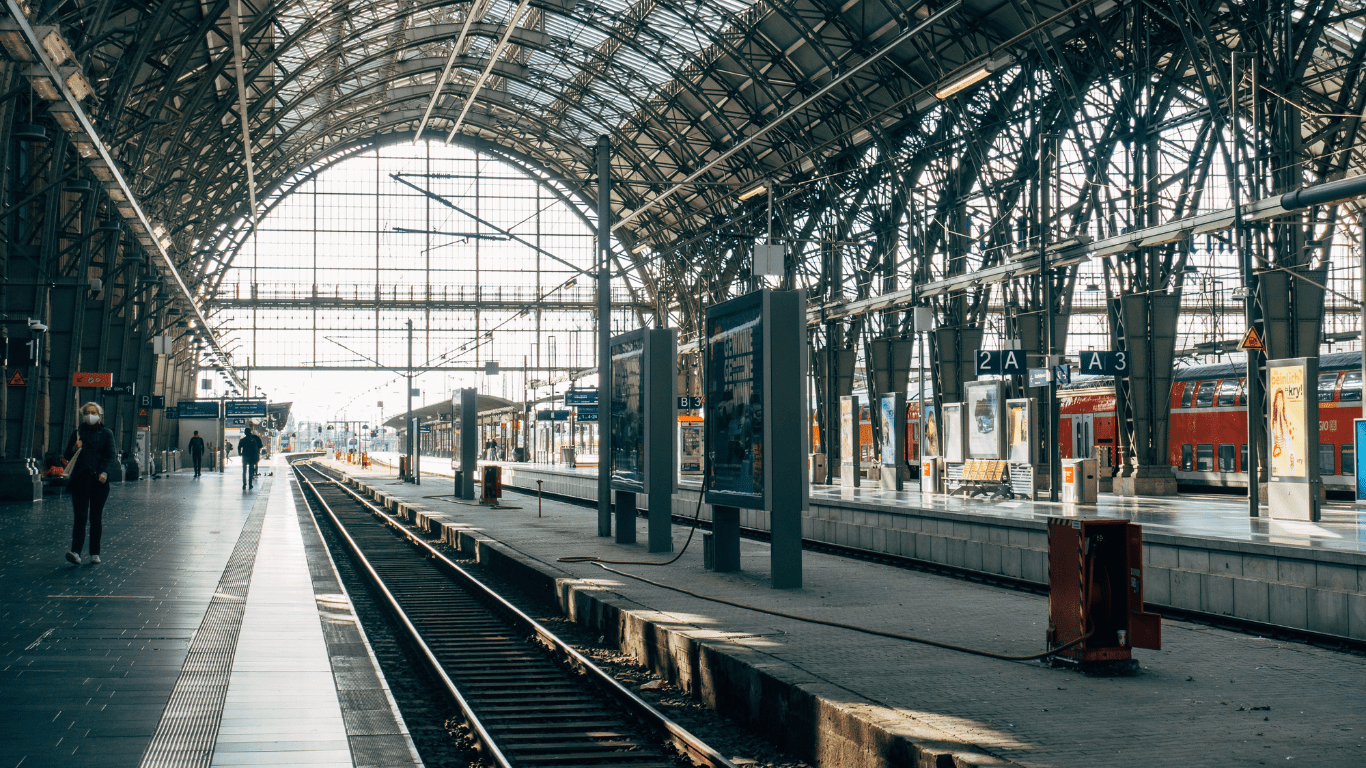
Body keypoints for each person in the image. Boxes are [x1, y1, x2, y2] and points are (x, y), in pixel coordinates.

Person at [62, 402, 117, 565]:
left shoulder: (106, 433)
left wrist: (105, 473)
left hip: (99, 481)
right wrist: (74, 447)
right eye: (87, 412)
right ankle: (76, 552)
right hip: (80, 480)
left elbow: (111, 456)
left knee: (95, 517)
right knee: (80, 517)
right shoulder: (77, 433)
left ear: (99, 415)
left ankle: (95, 553)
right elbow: (66, 456)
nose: (90, 415)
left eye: (93, 412)